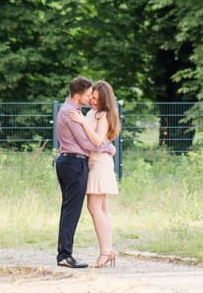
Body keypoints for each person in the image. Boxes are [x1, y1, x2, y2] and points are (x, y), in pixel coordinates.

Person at [54, 75, 114, 269]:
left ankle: (104, 250)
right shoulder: (71, 113)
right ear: (78, 95)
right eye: (88, 95)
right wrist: (107, 147)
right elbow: (86, 142)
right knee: (73, 210)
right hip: (74, 163)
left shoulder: (74, 111)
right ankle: (65, 255)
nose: (90, 99)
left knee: (79, 209)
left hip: (74, 162)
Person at [72, 79, 123, 268]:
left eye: (97, 99)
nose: (93, 101)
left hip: (100, 165)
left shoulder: (103, 115)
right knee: (102, 210)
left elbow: (98, 141)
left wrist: (83, 124)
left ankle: (105, 252)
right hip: (95, 162)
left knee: (94, 208)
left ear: (105, 100)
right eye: (92, 98)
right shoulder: (93, 113)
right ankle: (108, 250)